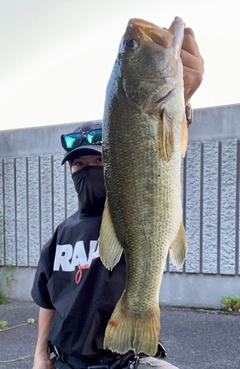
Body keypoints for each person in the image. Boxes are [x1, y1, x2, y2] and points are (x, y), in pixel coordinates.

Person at [31, 27, 204, 369]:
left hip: (124, 361)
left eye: (98, 161)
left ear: (114, 162)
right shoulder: (62, 233)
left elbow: (157, 148)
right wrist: (40, 354)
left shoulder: (124, 213)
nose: (87, 169)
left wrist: (181, 101)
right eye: (78, 164)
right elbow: (46, 299)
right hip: (65, 361)